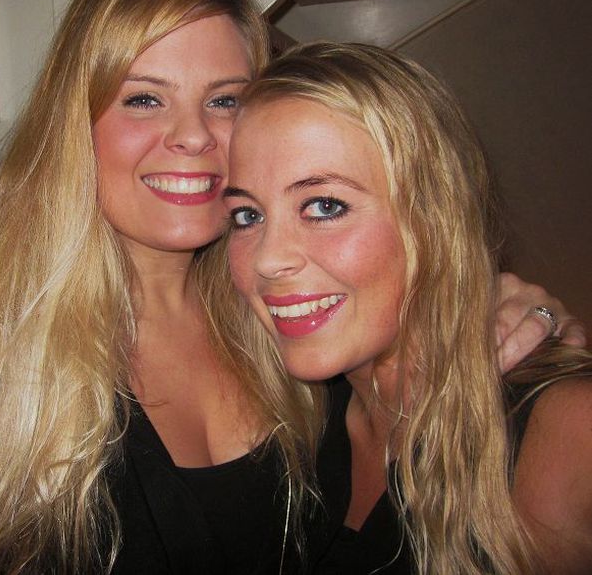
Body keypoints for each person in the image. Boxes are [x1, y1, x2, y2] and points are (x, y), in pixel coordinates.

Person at [0, 0, 584, 575]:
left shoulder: (283, 322)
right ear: (74, 126)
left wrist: (503, 311)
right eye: (144, 98)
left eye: (224, 100)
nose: (192, 135)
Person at [224, 42, 592, 574]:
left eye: (325, 205)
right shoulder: (300, 431)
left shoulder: (568, 430)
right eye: (246, 215)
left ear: (432, 219)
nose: (267, 258)